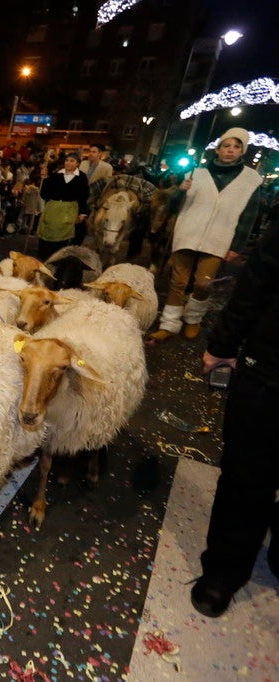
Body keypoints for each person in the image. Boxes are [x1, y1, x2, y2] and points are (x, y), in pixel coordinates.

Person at [191, 222, 279, 618]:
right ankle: (224, 570)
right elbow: (260, 275)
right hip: (274, 365)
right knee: (247, 473)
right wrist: (225, 342)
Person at [148, 128, 263, 344]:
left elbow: (250, 216)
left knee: (204, 284)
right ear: (218, 149)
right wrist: (180, 190)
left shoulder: (251, 180)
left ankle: (193, 318)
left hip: (219, 239)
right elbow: (171, 206)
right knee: (178, 282)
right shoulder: (196, 174)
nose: (230, 150)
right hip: (187, 234)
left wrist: (237, 246)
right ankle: (168, 324)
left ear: (242, 151)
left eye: (236, 147)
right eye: (226, 146)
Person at [36, 152, 89, 260]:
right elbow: (45, 195)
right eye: (67, 160)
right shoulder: (56, 175)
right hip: (52, 209)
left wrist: (83, 212)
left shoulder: (82, 177)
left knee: (63, 234)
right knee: (48, 231)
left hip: (69, 210)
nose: (68, 163)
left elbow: (83, 196)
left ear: (77, 163)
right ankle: (44, 257)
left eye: (72, 161)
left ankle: (59, 258)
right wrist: (45, 178)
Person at [75, 143, 112, 245]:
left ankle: (78, 243)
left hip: (92, 200)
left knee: (83, 225)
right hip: (78, 198)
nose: (91, 154)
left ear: (100, 154)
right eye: (90, 151)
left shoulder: (107, 167)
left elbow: (106, 186)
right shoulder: (83, 164)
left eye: (94, 152)